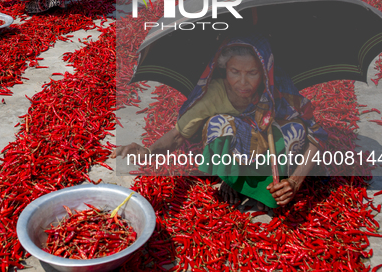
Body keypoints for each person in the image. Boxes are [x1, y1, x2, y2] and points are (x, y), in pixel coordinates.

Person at [112, 35, 328, 210]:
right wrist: (149, 151)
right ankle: (233, 179)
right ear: (225, 69)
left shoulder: (277, 88)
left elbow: (315, 135)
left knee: (297, 129)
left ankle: (272, 188)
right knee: (219, 123)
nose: (243, 82)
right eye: (235, 72)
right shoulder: (214, 93)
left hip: (267, 150)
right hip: (240, 146)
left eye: (252, 73)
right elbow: (178, 135)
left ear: (264, 72)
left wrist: (296, 181)